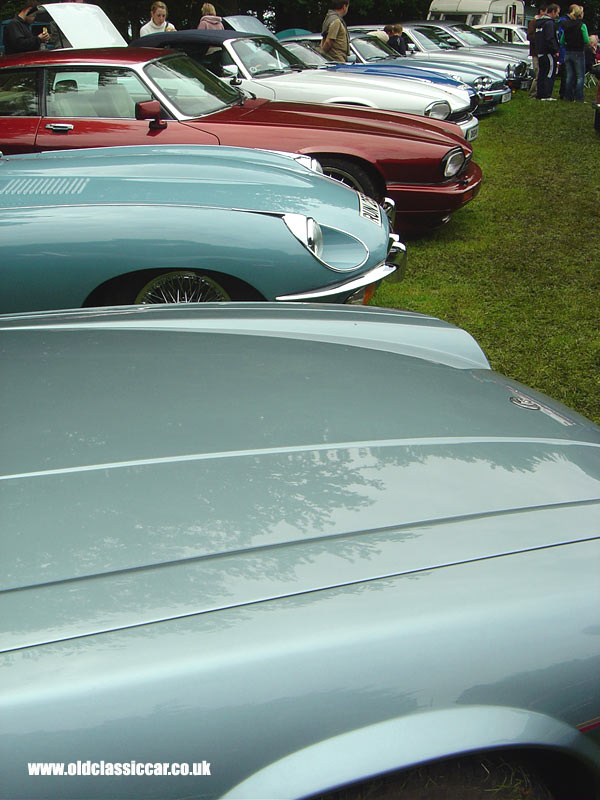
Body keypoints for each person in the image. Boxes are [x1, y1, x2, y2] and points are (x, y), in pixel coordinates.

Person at [560, 5, 590, 101]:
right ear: (580, 14)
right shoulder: (582, 25)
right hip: (578, 52)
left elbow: (561, 41)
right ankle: (579, 97)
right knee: (580, 76)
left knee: (569, 76)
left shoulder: (566, 25)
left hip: (568, 52)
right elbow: (586, 40)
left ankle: (568, 96)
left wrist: (567, 44)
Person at [535, 3, 561, 99]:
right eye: (557, 12)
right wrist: (555, 50)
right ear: (553, 12)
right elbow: (550, 38)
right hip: (548, 52)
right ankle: (546, 95)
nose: (558, 15)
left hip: (540, 51)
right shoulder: (549, 23)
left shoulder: (539, 23)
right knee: (549, 73)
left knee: (542, 73)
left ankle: (540, 94)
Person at [527, 2, 547, 97]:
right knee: (537, 73)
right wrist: (539, 39)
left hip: (542, 51)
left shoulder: (544, 22)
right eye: (546, 12)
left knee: (541, 72)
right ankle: (532, 93)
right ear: (541, 11)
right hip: (535, 51)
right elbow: (530, 36)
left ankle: (539, 91)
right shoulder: (533, 22)